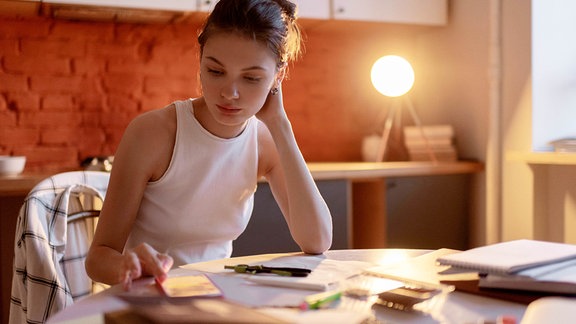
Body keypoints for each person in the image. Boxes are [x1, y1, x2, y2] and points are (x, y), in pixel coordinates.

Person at [85, 0, 333, 290]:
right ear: (201, 60)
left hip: (216, 296)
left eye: (252, 78)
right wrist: (129, 266)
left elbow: (317, 241)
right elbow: (98, 259)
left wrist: (280, 124)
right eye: (215, 71)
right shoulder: (153, 133)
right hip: (146, 298)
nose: (230, 93)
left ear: (277, 77)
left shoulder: (264, 139)